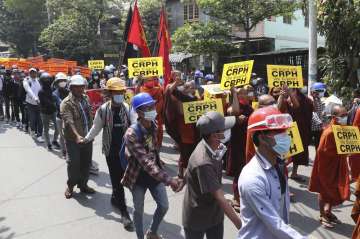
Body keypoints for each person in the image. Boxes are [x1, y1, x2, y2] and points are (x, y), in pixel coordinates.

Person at [238, 106, 306, 239]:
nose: (286, 136)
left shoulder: (279, 164)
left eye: (285, 130)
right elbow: (273, 222)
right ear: (262, 138)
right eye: (279, 131)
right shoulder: (252, 178)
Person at [121, 92, 181, 239]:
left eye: (152, 106)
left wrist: (159, 160)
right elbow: (146, 163)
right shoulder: (131, 134)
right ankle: (140, 236)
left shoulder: (153, 124)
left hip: (155, 174)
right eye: (148, 107)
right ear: (139, 112)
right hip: (138, 177)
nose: (153, 109)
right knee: (138, 210)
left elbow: (153, 148)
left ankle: (152, 232)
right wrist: (170, 180)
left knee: (164, 206)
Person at [176, 111, 241, 239]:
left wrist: (182, 182)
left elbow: (190, 168)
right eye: (224, 129)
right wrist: (242, 226)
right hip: (197, 218)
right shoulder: (203, 162)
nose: (227, 131)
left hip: (215, 215)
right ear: (214, 135)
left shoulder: (214, 146)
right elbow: (220, 198)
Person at [83, 77, 134, 231]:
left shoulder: (127, 107)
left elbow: (136, 123)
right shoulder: (103, 110)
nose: (119, 94)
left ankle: (115, 197)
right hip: (111, 151)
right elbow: (96, 128)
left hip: (126, 151)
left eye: (121, 92)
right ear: (110, 93)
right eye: (116, 92)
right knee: (117, 179)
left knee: (126, 178)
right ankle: (124, 212)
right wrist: (86, 139)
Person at [308, 105, 350, 228]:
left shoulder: (344, 129)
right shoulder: (329, 132)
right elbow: (322, 152)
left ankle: (328, 211)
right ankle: (322, 214)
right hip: (327, 166)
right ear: (333, 117)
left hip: (338, 164)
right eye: (342, 116)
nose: (345, 118)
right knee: (324, 189)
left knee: (334, 189)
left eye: (346, 115)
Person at [60, 75, 95, 199]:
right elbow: (69, 121)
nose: (80, 89)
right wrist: (77, 136)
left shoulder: (86, 98)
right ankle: (70, 186)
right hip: (73, 140)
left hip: (87, 138)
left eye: (82, 86)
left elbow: (89, 114)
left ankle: (83, 185)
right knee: (74, 164)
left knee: (86, 164)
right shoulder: (66, 103)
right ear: (71, 88)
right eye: (77, 87)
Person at [226, 87, 253, 212]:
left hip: (248, 142)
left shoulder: (250, 107)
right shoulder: (231, 106)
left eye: (244, 93)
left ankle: (245, 196)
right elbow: (234, 111)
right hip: (237, 143)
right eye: (239, 92)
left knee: (247, 171)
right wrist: (234, 95)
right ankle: (236, 198)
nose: (242, 94)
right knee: (239, 171)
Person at [278, 85, 313, 182]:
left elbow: (297, 106)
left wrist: (290, 93)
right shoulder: (284, 96)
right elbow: (279, 109)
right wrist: (282, 96)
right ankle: (280, 175)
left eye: (293, 90)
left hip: (300, 128)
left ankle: (294, 172)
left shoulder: (304, 99)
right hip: (285, 127)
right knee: (283, 153)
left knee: (297, 151)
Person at [245, 94, 277, 163]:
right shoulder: (257, 118)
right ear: (261, 106)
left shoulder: (272, 116)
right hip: (262, 157)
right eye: (271, 103)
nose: (274, 105)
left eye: (275, 102)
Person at [139, 76, 165, 148]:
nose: (151, 82)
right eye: (149, 80)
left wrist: (155, 112)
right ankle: (148, 146)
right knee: (147, 131)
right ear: (145, 82)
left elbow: (161, 101)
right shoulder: (141, 89)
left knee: (159, 130)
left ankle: (158, 145)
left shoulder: (158, 89)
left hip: (156, 114)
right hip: (145, 115)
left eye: (152, 80)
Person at [38, 72, 60, 151]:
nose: (47, 82)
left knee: (57, 128)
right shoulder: (41, 91)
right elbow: (47, 102)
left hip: (53, 111)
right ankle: (48, 144)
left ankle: (54, 140)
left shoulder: (52, 89)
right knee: (46, 129)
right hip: (45, 112)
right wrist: (56, 104)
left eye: (48, 80)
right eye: (45, 80)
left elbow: (56, 97)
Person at [24, 68, 43, 142]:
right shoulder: (27, 81)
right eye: (31, 73)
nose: (33, 74)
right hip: (30, 103)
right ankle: (32, 130)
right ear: (29, 73)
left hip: (39, 104)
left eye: (34, 72)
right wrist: (35, 98)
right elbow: (28, 90)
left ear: (36, 73)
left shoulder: (39, 81)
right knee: (33, 119)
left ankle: (39, 135)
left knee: (40, 120)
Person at [53, 72, 70, 158]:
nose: (62, 82)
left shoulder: (69, 91)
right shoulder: (55, 93)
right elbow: (60, 102)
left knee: (71, 136)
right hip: (60, 118)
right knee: (62, 136)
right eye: (60, 81)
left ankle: (70, 151)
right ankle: (64, 152)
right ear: (57, 82)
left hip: (70, 117)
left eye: (64, 80)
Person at [309, 82, 326, 150]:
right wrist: (320, 122)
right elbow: (313, 113)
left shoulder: (319, 99)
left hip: (318, 128)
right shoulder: (310, 99)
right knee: (306, 143)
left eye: (323, 91)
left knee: (318, 146)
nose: (322, 93)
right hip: (311, 127)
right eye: (321, 91)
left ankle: (318, 159)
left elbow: (320, 112)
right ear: (314, 91)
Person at [349, 89, 360, 181]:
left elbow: (355, 125)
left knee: (354, 157)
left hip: (356, 135)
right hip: (355, 134)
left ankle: (354, 176)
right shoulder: (356, 107)